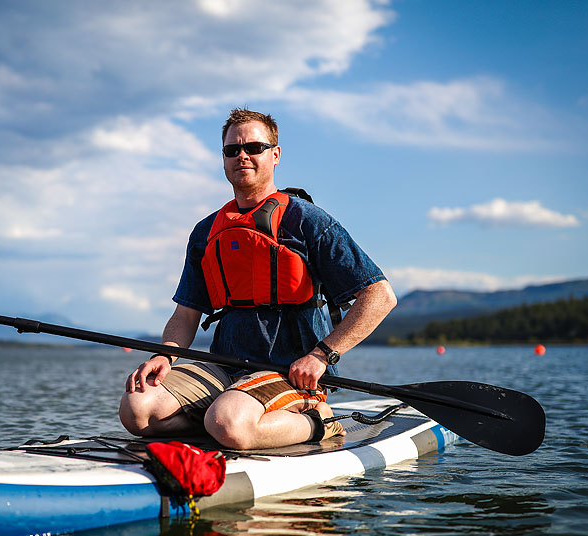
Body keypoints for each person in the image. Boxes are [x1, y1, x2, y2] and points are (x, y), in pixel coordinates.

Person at [120, 108, 397, 450]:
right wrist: (164, 356)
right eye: (232, 150)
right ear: (223, 158)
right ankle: (229, 422)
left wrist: (322, 355)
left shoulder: (307, 220)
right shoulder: (206, 231)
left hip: (289, 372)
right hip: (225, 368)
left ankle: (320, 421)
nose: (242, 156)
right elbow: (186, 314)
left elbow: (380, 296)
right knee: (137, 409)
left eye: (254, 148)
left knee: (227, 422)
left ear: (275, 154)